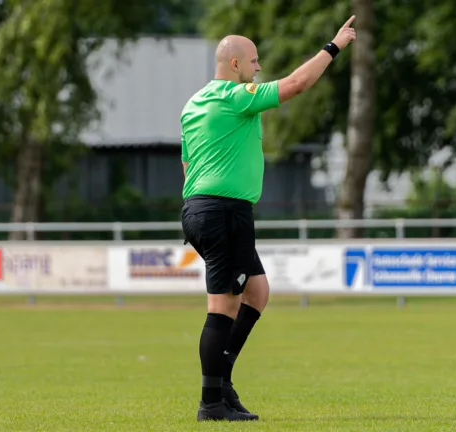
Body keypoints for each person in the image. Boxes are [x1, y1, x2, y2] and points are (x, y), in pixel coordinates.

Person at [179, 16, 357, 422]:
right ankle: (212, 401)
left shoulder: (193, 103)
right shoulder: (235, 96)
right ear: (236, 65)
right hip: (222, 211)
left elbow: (187, 165)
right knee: (222, 306)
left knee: (256, 292)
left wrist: (198, 212)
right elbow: (296, 84)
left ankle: (222, 384)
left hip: (203, 208)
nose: (259, 68)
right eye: (255, 61)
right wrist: (334, 47)